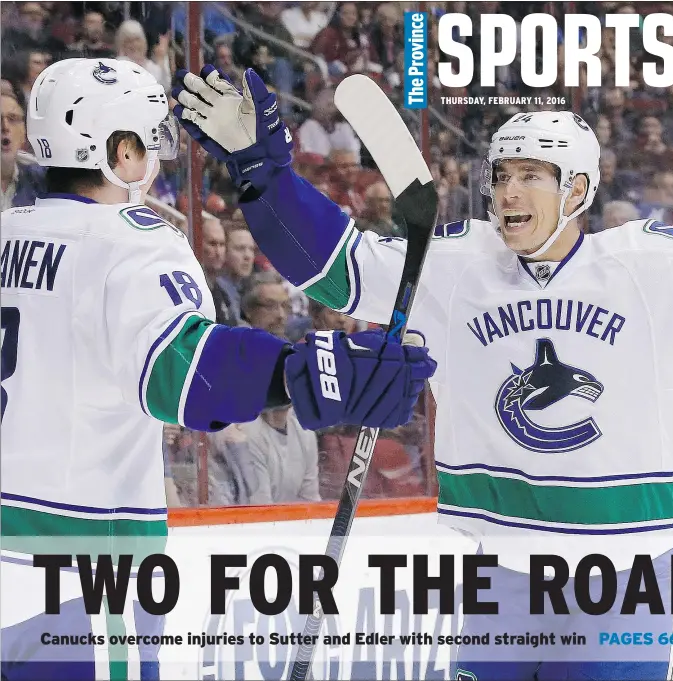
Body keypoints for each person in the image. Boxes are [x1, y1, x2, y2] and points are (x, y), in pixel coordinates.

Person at [174, 66, 673, 681]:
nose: (508, 193)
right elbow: (332, 266)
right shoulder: (454, 264)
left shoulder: (653, 265)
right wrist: (264, 173)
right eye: (500, 176)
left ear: (578, 189)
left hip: (626, 571)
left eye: (531, 176)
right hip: (498, 568)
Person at [0, 58, 436, 681]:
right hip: (76, 583)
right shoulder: (131, 243)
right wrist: (312, 374)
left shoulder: (6, 231)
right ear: (120, 152)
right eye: (146, 144)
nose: (155, 161)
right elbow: (189, 371)